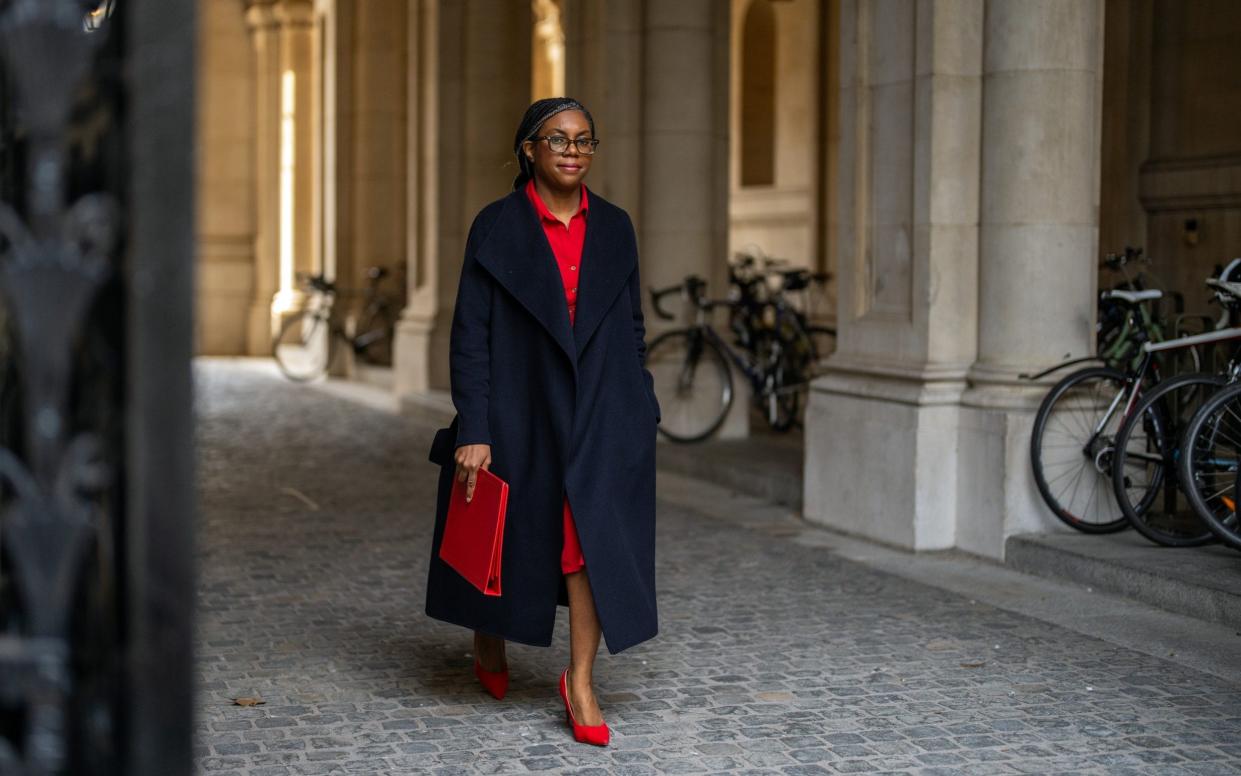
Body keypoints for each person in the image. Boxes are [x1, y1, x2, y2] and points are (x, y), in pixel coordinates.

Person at [424, 97, 661, 747]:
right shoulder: (496, 226)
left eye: (584, 141)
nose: (572, 151)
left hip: (600, 412)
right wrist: (475, 424)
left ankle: (579, 681)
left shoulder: (614, 227)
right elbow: (470, 332)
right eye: (557, 139)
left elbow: (630, 326)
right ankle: (488, 634)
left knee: (587, 544)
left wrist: (638, 403)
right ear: (528, 149)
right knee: (510, 535)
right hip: (521, 407)